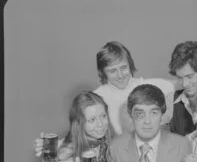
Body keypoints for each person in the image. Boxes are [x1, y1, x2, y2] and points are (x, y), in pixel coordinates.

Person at [34, 41, 178, 155]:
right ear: (103, 72)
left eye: (123, 68)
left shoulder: (148, 85)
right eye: (113, 71)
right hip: (117, 160)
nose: (120, 75)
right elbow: (79, 131)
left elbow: (187, 81)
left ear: (130, 65)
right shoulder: (98, 97)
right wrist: (54, 144)